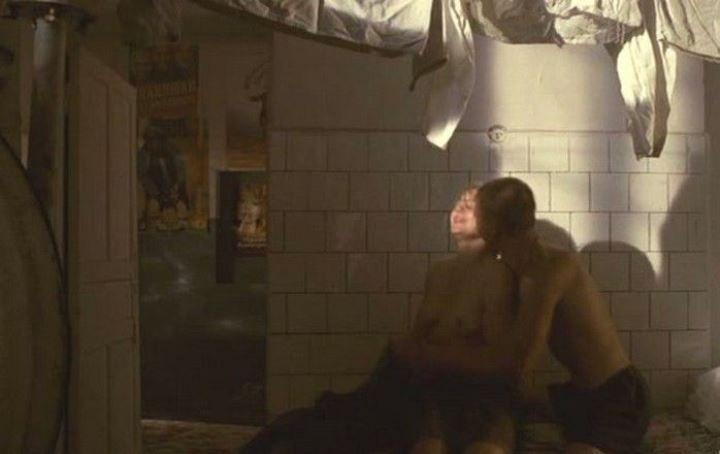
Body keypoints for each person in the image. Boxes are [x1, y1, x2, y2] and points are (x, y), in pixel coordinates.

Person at [396, 177, 649, 454]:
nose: (465, 217)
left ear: (491, 226)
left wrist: (433, 355)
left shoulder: (549, 270)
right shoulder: (513, 267)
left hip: (615, 395)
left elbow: (518, 363)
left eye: (474, 213)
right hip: (576, 394)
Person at [392, 185, 521, 454]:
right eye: (459, 202)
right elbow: (418, 335)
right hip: (433, 390)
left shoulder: (499, 274)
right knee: (427, 447)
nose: (460, 208)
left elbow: (500, 357)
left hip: (483, 396)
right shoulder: (439, 272)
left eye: (471, 205)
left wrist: (434, 352)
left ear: (493, 221)